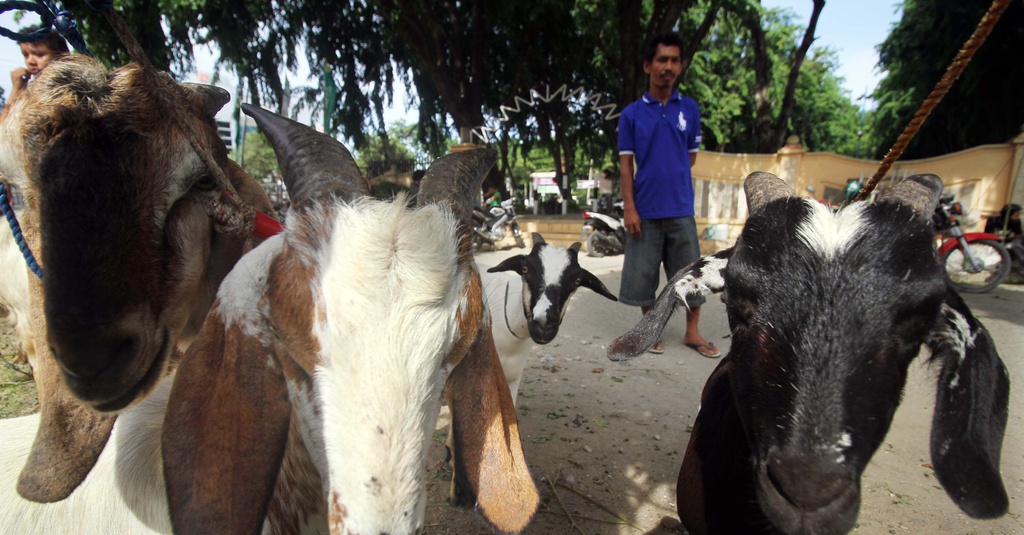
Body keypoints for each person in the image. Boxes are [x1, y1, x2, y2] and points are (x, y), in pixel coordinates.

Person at [617, 31, 719, 358]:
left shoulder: (689, 108)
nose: (669, 66)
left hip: (680, 210)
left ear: (680, 66)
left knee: (691, 276)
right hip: (644, 212)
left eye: (675, 60)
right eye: (662, 60)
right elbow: (625, 167)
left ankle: (692, 333)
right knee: (643, 277)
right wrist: (630, 208)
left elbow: (690, 157)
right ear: (648, 65)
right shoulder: (631, 115)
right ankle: (652, 329)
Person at [5, 25, 69, 109]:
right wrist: (17, 88)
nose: (30, 61)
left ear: (60, 55)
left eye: (39, 54)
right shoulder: (30, 90)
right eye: (26, 55)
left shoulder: (68, 89)